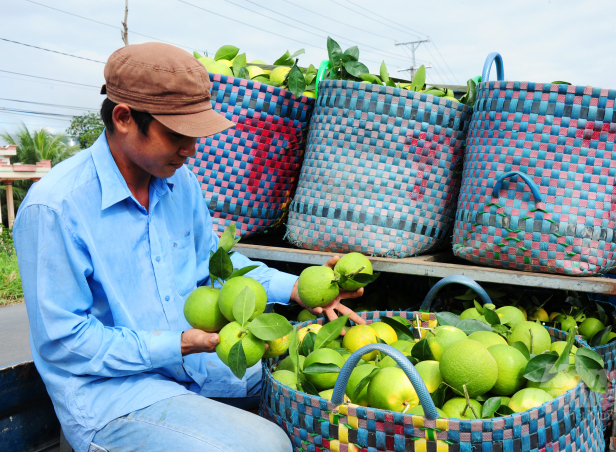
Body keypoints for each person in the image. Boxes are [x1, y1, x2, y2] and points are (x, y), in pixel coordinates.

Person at [13, 42, 364, 452]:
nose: (190, 149)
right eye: (176, 134)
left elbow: (218, 264)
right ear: (124, 118)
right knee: (266, 446)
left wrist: (296, 288)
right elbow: (66, 343)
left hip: (197, 367)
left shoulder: (180, 182)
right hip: (115, 396)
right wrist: (176, 343)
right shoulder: (56, 207)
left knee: (322, 402)